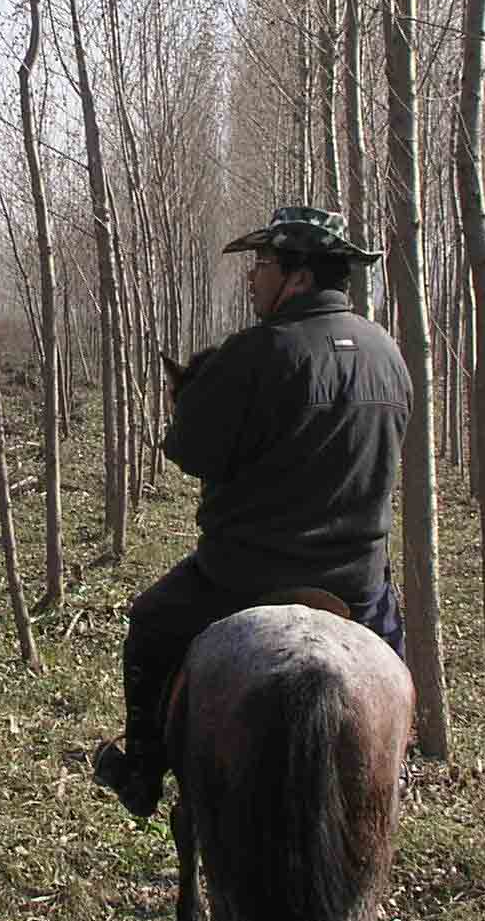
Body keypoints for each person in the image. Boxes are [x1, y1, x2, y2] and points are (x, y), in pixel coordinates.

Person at [91, 205, 413, 819]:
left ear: (297, 275)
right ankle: (399, 768)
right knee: (394, 667)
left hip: (244, 581)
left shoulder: (257, 353)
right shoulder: (389, 355)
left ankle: (140, 768)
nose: (253, 277)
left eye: (262, 263)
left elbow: (189, 450)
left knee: (152, 621)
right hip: (357, 584)